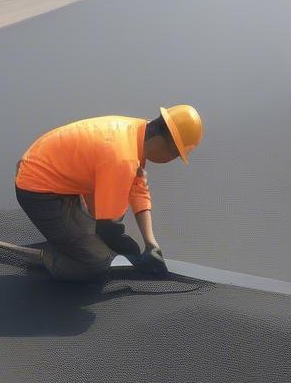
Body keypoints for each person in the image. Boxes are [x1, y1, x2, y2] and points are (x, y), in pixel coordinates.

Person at [14, 106, 203, 281]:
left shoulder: (138, 130)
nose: (171, 160)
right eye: (175, 155)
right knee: (98, 264)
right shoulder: (122, 159)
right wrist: (133, 256)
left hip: (52, 171)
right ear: (164, 144)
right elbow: (108, 228)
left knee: (94, 234)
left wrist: (151, 244)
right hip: (38, 190)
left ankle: (70, 241)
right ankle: (49, 259)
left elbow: (138, 189)